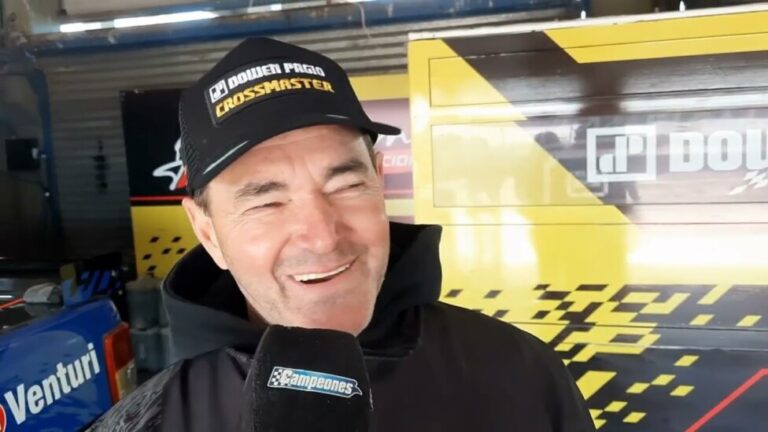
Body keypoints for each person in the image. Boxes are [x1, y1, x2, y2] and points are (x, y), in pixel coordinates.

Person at [90, 37, 595, 431]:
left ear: (379, 181)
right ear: (208, 232)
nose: (322, 237)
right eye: (266, 202)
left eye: (346, 185)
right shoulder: (150, 423)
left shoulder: (520, 371)